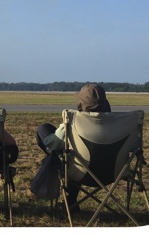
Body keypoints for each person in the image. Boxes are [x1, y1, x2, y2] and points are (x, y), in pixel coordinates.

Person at [35, 83, 111, 212]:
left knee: (44, 130)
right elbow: (134, 145)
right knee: (75, 155)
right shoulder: (120, 122)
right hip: (111, 172)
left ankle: (69, 200)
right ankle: (71, 200)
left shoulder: (74, 120)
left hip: (79, 169)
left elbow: (53, 143)